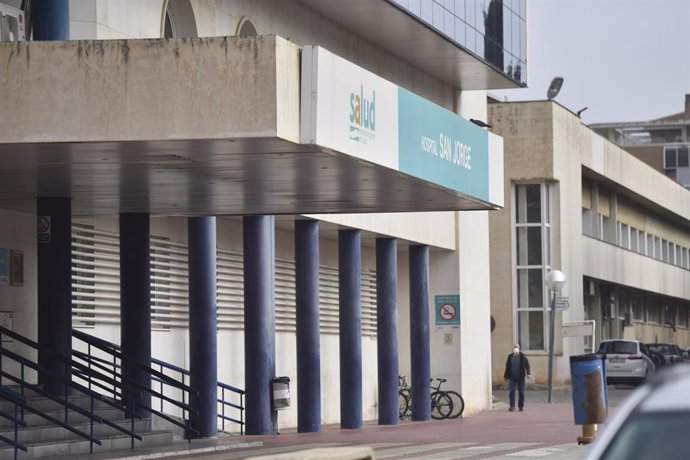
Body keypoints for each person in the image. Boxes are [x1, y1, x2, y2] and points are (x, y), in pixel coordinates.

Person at [503, 343, 530, 412]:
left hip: (521, 377)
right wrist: (506, 376)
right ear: (513, 348)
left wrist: (528, 373)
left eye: (517, 347)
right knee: (512, 391)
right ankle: (512, 406)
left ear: (519, 348)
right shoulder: (510, 357)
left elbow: (527, 364)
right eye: (515, 347)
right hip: (512, 377)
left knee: (521, 392)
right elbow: (507, 367)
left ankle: (521, 406)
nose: (516, 348)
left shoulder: (522, 356)